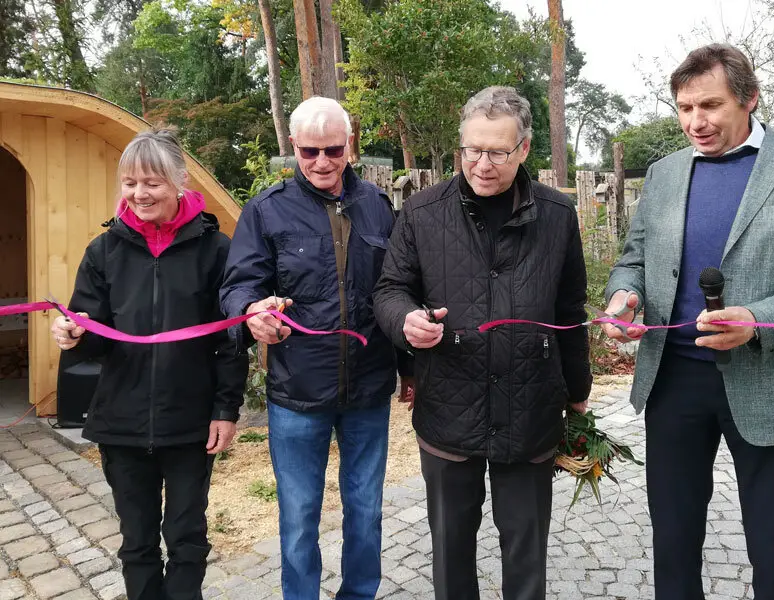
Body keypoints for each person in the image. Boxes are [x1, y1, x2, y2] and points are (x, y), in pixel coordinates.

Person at [602, 44, 774, 599]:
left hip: (770, 382)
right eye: (684, 107)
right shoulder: (663, 173)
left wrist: (760, 320)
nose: (695, 122)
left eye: (710, 105)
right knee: (673, 546)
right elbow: (634, 258)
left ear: (749, 98)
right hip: (672, 383)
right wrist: (624, 295)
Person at [373, 86, 592, 600]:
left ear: (524, 149)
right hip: (449, 406)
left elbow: (569, 313)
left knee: (525, 546)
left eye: (496, 151)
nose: (482, 163)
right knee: (451, 547)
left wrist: (578, 394)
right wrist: (406, 320)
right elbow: (389, 289)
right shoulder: (423, 212)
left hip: (531, 408)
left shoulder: (557, 215)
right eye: (472, 149)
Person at [219, 96, 412, 600]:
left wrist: (410, 369)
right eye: (309, 151)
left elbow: (398, 290)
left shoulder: (377, 207)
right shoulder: (266, 210)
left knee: (366, 510)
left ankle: (359, 595)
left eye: (332, 149)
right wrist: (252, 313)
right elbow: (237, 285)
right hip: (297, 391)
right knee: (300, 516)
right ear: (293, 148)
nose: (322, 162)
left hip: (368, 388)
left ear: (349, 144)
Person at [51, 127, 248, 600]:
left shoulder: (215, 250)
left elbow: (230, 339)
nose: (140, 193)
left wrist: (225, 409)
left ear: (179, 181)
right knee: (136, 542)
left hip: (189, 424)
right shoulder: (104, 252)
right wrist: (72, 334)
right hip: (121, 424)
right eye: (130, 182)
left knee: (186, 539)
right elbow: (90, 336)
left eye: (152, 183)